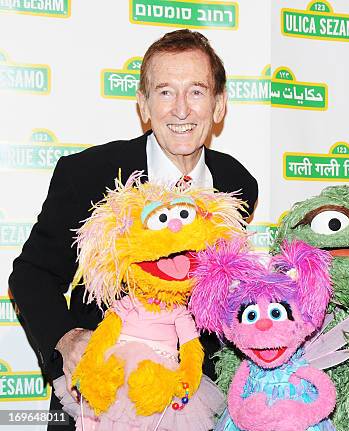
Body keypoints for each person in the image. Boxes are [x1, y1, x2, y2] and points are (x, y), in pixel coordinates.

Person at [8, 29, 258, 431]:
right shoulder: (88, 175)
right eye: (164, 92)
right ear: (143, 104)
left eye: (196, 91)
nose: (181, 110)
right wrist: (67, 339)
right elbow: (33, 274)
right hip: (100, 395)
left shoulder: (237, 182)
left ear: (218, 105)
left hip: (192, 396)